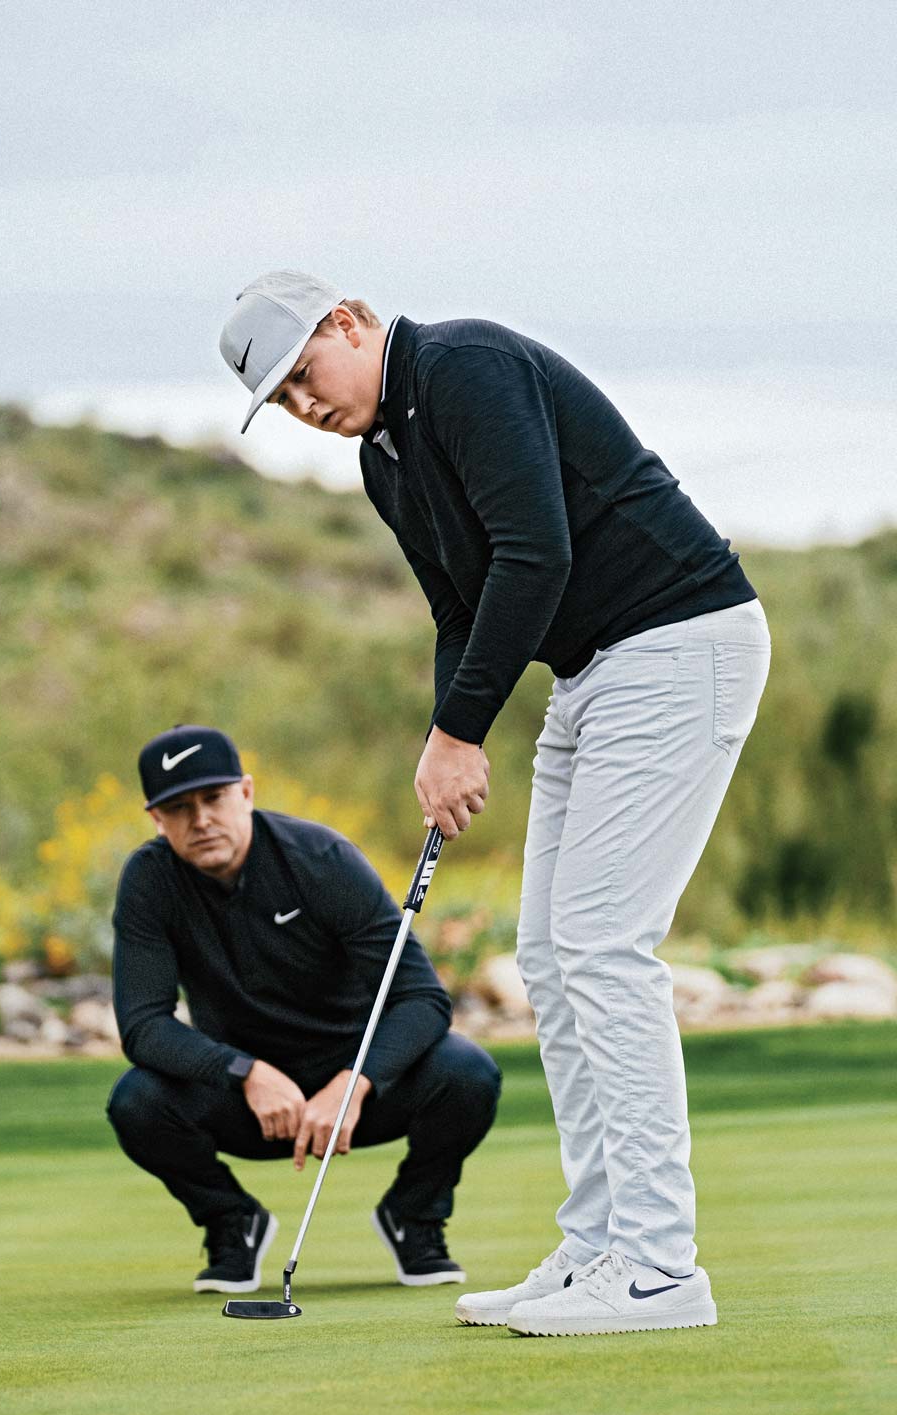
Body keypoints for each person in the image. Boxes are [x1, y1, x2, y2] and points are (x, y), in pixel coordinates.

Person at [218, 271, 771, 1336]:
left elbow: (535, 551)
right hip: (594, 671)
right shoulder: (385, 459)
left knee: (603, 946)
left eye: (303, 374)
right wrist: (445, 737)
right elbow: (457, 610)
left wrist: (462, 731)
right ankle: (600, 1242)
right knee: (553, 959)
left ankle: (660, 1266)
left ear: (348, 322)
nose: (303, 404)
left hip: (678, 643)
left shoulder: (464, 366)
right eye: (281, 399)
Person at [107, 723, 501, 1295]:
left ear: (245, 792)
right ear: (156, 819)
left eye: (214, 798)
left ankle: (413, 1216)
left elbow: (421, 999)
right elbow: (143, 1027)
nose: (201, 820)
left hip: (355, 1090)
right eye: (179, 808)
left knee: (467, 1074)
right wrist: (245, 1073)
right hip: (249, 1099)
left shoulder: (320, 859)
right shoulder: (150, 880)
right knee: (137, 1101)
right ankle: (231, 1223)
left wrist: (355, 1082)